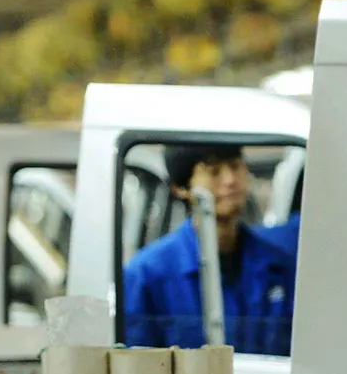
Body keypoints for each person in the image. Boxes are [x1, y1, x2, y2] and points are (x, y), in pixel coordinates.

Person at [121, 142, 301, 354]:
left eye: (235, 166)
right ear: (180, 189)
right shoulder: (147, 275)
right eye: (213, 171)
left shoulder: (280, 265)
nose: (230, 180)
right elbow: (137, 368)